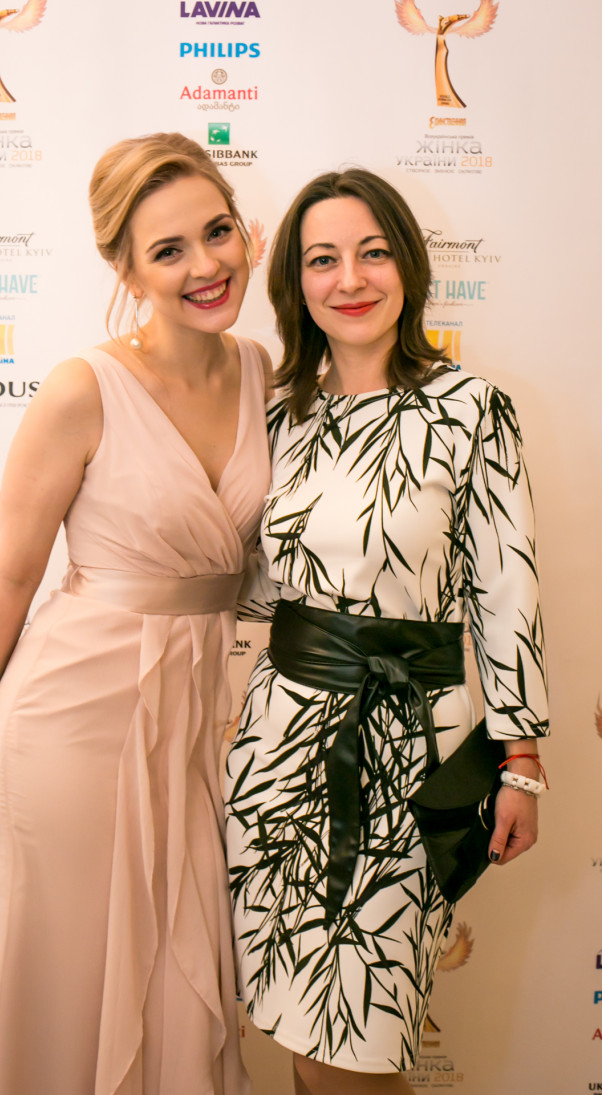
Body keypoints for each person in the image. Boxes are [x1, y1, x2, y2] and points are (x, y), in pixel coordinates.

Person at [0, 131, 271, 1095]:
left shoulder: (262, 371)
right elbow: (13, 578)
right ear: (126, 270)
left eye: (217, 231)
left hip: (197, 727)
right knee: (67, 992)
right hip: (73, 726)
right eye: (168, 250)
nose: (206, 264)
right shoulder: (80, 388)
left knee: (178, 986)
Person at [225, 168, 548, 1095]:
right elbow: (251, 584)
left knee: (354, 1041)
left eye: (372, 252)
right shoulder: (277, 412)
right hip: (277, 749)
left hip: (407, 751)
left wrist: (522, 759)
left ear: (407, 264)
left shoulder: (470, 407)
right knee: (300, 1034)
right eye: (323, 259)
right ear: (296, 283)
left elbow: (506, 590)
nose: (351, 278)